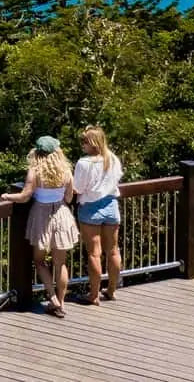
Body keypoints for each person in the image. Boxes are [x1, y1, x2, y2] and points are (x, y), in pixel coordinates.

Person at [0, 135, 79, 317]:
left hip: (41, 216)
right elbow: (68, 198)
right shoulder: (66, 171)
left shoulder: (35, 172)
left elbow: (25, 196)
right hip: (61, 214)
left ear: (37, 152)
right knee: (61, 263)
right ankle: (62, 302)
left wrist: (7, 196)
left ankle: (52, 298)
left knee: (39, 260)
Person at [73, 125, 123, 304]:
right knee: (113, 250)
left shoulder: (84, 163)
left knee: (94, 253)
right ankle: (111, 290)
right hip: (111, 205)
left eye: (84, 141)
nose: (82, 145)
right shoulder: (113, 159)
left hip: (90, 208)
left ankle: (94, 295)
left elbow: (77, 188)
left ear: (92, 143)